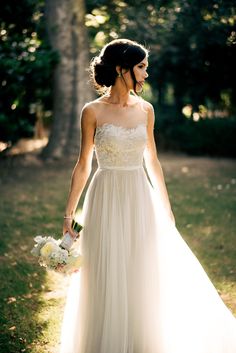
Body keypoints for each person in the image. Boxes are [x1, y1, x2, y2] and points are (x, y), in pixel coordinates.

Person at [59, 39, 236, 353]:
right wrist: (69, 213)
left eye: (145, 68)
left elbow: (152, 160)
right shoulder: (92, 111)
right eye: (140, 67)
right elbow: (84, 163)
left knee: (140, 268)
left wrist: (165, 207)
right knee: (105, 270)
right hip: (105, 196)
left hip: (140, 195)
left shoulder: (146, 110)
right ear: (121, 69)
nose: (145, 74)